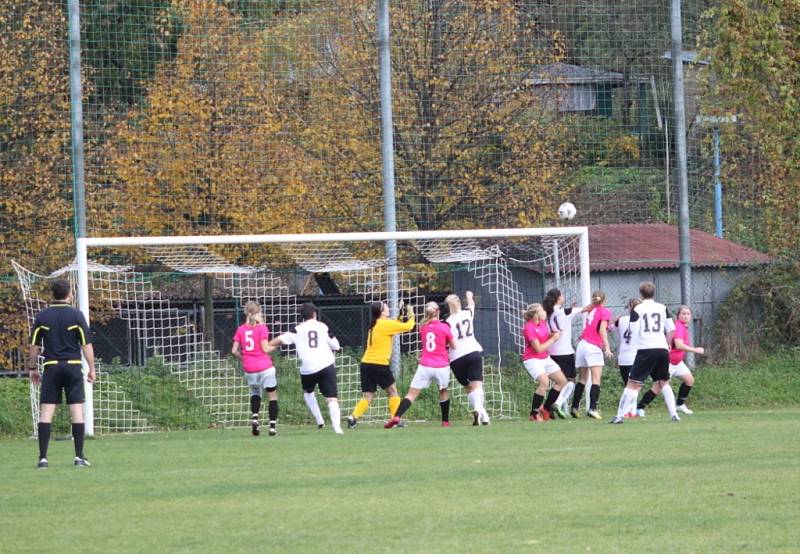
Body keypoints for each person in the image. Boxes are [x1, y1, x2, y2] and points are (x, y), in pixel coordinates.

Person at [27, 279, 96, 469]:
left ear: (52, 295)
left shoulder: (42, 316)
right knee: (76, 411)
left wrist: (32, 368)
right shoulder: (76, 315)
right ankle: (79, 457)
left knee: (46, 412)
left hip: (51, 367)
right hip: (73, 366)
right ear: (69, 294)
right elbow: (86, 345)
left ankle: (43, 459)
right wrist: (92, 368)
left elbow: (34, 346)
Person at [265, 302, 344, 434]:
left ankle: (320, 421)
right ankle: (337, 428)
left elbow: (277, 341)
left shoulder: (297, 329)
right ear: (315, 313)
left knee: (308, 392)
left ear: (302, 316)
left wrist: (266, 347)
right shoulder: (322, 326)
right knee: (332, 398)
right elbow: (335, 345)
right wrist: (336, 347)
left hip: (307, 369)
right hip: (326, 365)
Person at [610, 282, 677, 424]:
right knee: (663, 381)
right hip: (662, 349)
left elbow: (633, 330)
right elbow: (671, 330)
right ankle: (674, 414)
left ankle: (619, 416)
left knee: (632, 383)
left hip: (646, 349)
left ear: (641, 294)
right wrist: (667, 344)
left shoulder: (638, 309)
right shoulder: (662, 307)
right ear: (654, 293)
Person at [385, 302, 457, 428]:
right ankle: (445, 421)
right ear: (438, 312)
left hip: (425, 365)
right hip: (441, 366)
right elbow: (454, 346)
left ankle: (397, 416)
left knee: (411, 394)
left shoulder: (422, 327)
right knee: (443, 391)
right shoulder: (444, 327)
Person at [347, 300, 415, 428]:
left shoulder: (376, 324)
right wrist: (411, 315)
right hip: (379, 364)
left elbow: (395, 324)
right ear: (382, 312)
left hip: (366, 363)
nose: (388, 308)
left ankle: (353, 417)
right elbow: (408, 327)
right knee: (393, 392)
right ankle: (395, 419)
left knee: (368, 396)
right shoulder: (384, 324)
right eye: (386, 307)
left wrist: (401, 314)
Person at [635, 304, 704, 417]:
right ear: (678, 315)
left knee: (689, 380)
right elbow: (679, 345)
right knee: (657, 388)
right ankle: (640, 408)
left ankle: (680, 405)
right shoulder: (678, 327)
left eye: (688, 314)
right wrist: (695, 350)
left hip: (677, 362)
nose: (686, 316)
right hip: (669, 362)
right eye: (683, 314)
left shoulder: (683, 326)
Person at [232, 301, 278, 436]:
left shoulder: (241, 329)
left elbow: (234, 351)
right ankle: (272, 427)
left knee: (255, 393)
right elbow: (265, 348)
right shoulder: (262, 328)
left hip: (249, 368)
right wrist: (278, 343)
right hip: (265, 367)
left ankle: (255, 418)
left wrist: (244, 358)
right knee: (272, 396)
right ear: (257, 313)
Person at [445, 291, 489, 426]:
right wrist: (469, 296)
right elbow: (471, 304)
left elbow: (447, 342)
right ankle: (478, 410)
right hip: (472, 352)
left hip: (456, 358)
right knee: (477, 386)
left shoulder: (447, 322)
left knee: (468, 387)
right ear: (459, 303)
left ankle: (483, 415)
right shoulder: (467, 313)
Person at [571, 290, 613, 419]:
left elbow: (583, 310)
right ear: (605, 301)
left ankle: (574, 407)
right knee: (596, 379)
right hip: (592, 347)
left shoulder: (591, 308)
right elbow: (601, 330)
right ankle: (593, 409)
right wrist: (607, 347)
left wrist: (574, 308)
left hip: (582, 345)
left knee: (583, 379)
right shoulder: (605, 311)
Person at [521, 303, 567, 422]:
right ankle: (534, 414)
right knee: (544, 382)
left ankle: (545, 409)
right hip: (532, 359)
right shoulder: (528, 328)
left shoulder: (542, 323)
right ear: (536, 314)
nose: (544, 312)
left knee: (562, 381)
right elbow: (539, 349)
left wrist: (554, 334)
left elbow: (545, 336)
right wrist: (553, 339)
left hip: (544, 358)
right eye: (542, 310)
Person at [542, 289, 582, 418]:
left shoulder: (548, 313)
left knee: (559, 382)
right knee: (569, 381)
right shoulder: (563, 312)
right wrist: (597, 302)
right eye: (562, 295)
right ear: (558, 298)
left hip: (551, 352)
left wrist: (572, 309)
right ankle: (551, 406)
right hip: (564, 352)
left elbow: (564, 317)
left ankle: (549, 409)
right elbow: (585, 309)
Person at [613, 298, 642, 387]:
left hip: (622, 358)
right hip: (634, 358)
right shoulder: (642, 321)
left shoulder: (621, 320)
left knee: (627, 386)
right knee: (634, 387)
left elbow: (610, 328)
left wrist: (615, 320)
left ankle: (626, 401)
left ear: (629, 308)